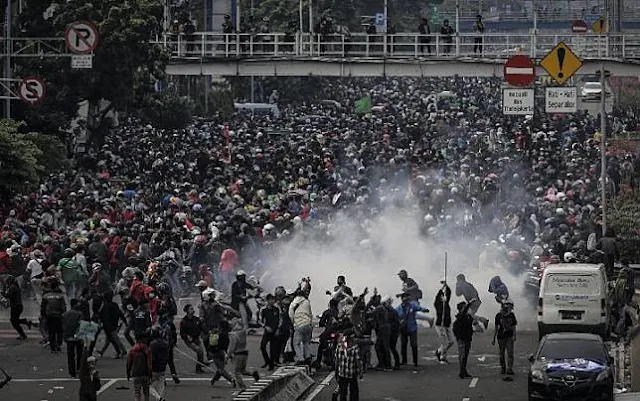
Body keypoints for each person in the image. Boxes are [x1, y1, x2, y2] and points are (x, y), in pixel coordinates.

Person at [395, 292, 429, 367]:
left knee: (414, 345)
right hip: (403, 329)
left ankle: (415, 361)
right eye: (405, 298)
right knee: (403, 345)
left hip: (412, 328)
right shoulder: (398, 309)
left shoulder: (412, 305)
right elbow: (395, 317)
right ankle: (404, 361)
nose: (407, 299)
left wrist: (424, 310)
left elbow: (419, 308)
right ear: (402, 299)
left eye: (408, 298)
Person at [226, 317, 260, 390]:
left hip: (238, 353)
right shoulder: (243, 332)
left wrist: (228, 356)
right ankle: (252, 373)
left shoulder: (233, 334)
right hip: (245, 352)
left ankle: (242, 387)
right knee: (242, 370)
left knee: (236, 372)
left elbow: (232, 347)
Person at [334, 331, 363, 401]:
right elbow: (358, 361)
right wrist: (360, 372)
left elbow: (337, 361)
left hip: (342, 373)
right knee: (354, 391)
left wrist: (336, 372)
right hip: (352, 373)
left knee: (343, 392)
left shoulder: (339, 346)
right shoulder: (354, 348)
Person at [491, 298, 517, 376]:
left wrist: (514, 335)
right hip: (501, 337)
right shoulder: (498, 316)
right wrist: (494, 338)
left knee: (510, 352)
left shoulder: (511, 315)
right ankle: (503, 367)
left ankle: (509, 368)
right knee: (501, 353)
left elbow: (514, 326)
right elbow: (496, 327)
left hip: (509, 336)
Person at [289, 283, 313, 365]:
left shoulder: (293, 303)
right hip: (308, 324)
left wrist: (294, 323)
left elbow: (291, 314)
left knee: (296, 343)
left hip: (299, 324)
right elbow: (310, 314)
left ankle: (300, 358)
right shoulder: (306, 302)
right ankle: (308, 357)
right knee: (306, 342)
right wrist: (310, 323)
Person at [180, 304, 206, 373]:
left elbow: (202, 328)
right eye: (191, 309)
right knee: (199, 350)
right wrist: (186, 336)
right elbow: (182, 333)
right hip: (189, 341)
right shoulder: (184, 321)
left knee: (201, 352)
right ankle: (200, 365)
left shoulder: (196, 319)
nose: (193, 310)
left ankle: (200, 366)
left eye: (193, 309)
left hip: (197, 338)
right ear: (187, 311)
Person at [42, 278, 66, 352]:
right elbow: (63, 307)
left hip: (49, 316)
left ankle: (53, 347)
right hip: (58, 316)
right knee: (59, 331)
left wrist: (42, 315)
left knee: (51, 332)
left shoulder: (46, 296)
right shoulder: (60, 296)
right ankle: (58, 345)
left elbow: (43, 307)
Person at [127, 333, 153, 401]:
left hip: (135, 374)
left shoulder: (132, 350)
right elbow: (149, 365)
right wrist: (150, 375)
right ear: (142, 339)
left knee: (137, 393)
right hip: (145, 374)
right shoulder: (147, 350)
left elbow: (129, 363)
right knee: (146, 393)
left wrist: (128, 374)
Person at [434, 281, 454, 364]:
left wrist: (446, 286)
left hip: (447, 324)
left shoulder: (446, 303)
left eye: (443, 296)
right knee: (444, 341)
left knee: (451, 341)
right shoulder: (437, 304)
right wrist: (441, 289)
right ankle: (442, 357)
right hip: (440, 325)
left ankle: (439, 351)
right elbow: (437, 297)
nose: (443, 297)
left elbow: (449, 293)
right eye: (441, 296)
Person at [63, 299, 84, 377]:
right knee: (79, 355)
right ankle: (79, 369)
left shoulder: (65, 314)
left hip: (68, 337)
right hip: (78, 337)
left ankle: (72, 372)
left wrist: (65, 336)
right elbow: (81, 325)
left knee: (70, 355)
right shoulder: (80, 314)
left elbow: (63, 326)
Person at [452, 301, 473, 379]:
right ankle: (462, 372)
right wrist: (469, 304)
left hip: (467, 338)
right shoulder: (460, 317)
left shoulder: (468, 316)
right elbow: (463, 314)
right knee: (462, 355)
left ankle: (464, 371)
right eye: (464, 307)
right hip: (462, 338)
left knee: (465, 355)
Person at [260, 293, 280, 370]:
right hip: (267, 331)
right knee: (262, 347)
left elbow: (280, 319)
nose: (272, 301)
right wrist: (265, 327)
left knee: (273, 349)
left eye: (273, 299)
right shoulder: (263, 310)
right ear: (267, 300)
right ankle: (267, 361)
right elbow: (260, 320)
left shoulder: (276, 309)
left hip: (275, 331)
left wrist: (277, 329)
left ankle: (271, 365)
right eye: (270, 300)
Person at [149, 325, 170, 401]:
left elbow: (152, 357)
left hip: (155, 368)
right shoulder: (166, 343)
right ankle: (159, 398)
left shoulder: (152, 344)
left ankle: (158, 398)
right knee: (161, 387)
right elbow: (168, 356)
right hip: (163, 367)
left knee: (147, 385)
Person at [382, 296, 401, 369]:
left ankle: (396, 363)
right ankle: (391, 363)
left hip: (393, 333)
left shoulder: (392, 312)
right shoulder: (389, 311)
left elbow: (396, 323)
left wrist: (388, 326)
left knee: (392, 347)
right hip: (390, 332)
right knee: (390, 347)